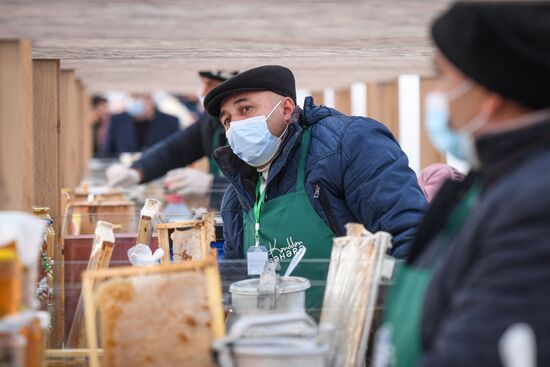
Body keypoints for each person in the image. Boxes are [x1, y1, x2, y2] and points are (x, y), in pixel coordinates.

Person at [379, 2, 550, 366]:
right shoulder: (492, 178)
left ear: (491, 95)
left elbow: (479, 351)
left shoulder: (536, 201)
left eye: (442, 76)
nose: (436, 95)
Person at [205, 65, 428, 315]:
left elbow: (412, 235)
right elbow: (237, 287)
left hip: (359, 338)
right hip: (273, 345)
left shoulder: (347, 145)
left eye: (246, 109)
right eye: (227, 121)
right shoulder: (236, 199)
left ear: (287, 109)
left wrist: (398, 324)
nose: (235, 126)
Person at [106, 70, 238, 209]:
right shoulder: (211, 122)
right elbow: (175, 149)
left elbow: (257, 187)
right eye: (203, 84)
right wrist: (137, 172)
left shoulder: (250, 127)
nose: (203, 92)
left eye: (210, 84)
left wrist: (214, 185)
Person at [101, 93, 179, 157]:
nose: (134, 101)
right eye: (132, 96)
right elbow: (106, 154)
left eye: (138, 96)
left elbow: (176, 152)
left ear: (150, 98)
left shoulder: (170, 121)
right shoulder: (117, 120)